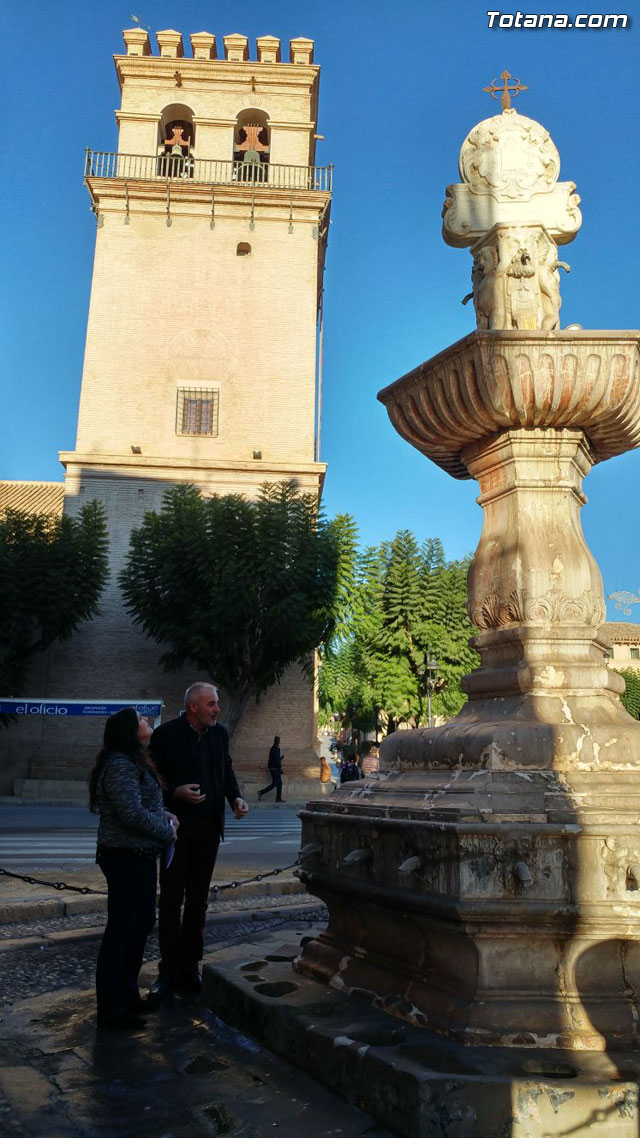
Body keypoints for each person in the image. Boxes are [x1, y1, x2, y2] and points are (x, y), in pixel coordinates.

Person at [147, 682, 248, 1000]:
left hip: (209, 828)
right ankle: (168, 969)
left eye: (216, 703)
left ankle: (190, 966)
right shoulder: (166, 735)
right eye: (212, 704)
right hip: (175, 831)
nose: (217, 709)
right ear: (193, 706)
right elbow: (151, 779)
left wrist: (235, 797)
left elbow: (226, 768)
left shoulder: (220, 734)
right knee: (171, 901)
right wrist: (174, 792)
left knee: (198, 901)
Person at [90, 707, 178, 1030]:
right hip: (124, 856)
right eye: (141, 719)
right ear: (129, 731)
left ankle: (127, 994)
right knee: (121, 930)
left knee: (141, 924)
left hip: (140, 854)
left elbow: (146, 804)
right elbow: (131, 813)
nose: (147, 722)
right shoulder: (120, 765)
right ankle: (111, 1009)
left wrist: (165, 815)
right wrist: (166, 830)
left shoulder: (134, 761)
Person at [258, 735, 285, 802]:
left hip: (274, 768)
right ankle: (261, 792)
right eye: (278, 740)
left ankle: (278, 798)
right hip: (275, 769)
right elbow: (276, 760)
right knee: (275, 783)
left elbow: (277, 759)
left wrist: (281, 758)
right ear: (275, 740)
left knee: (279, 783)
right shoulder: (275, 748)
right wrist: (280, 767)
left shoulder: (275, 748)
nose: (279, 741)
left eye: (279, 740)